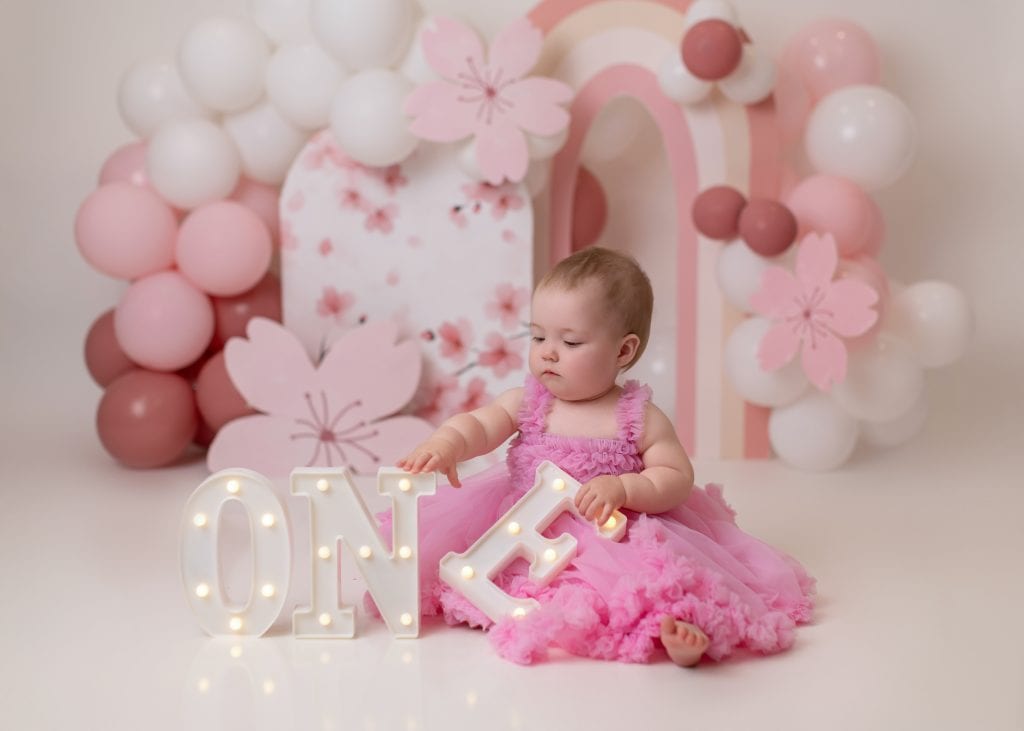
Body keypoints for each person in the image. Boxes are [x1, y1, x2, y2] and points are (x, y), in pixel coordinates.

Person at [390, 246, 814, 666]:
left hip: (610, 535)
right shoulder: (530, 401)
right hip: (524, 529)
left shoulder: (635, 416)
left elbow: (674, 475)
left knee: (647, 582)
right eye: (538, 336)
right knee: (488, 572)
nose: (548, 352)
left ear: (623, 352)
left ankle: (672, 626)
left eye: (570, 341)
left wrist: (625, 487)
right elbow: (480, 426)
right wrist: (447, 443)